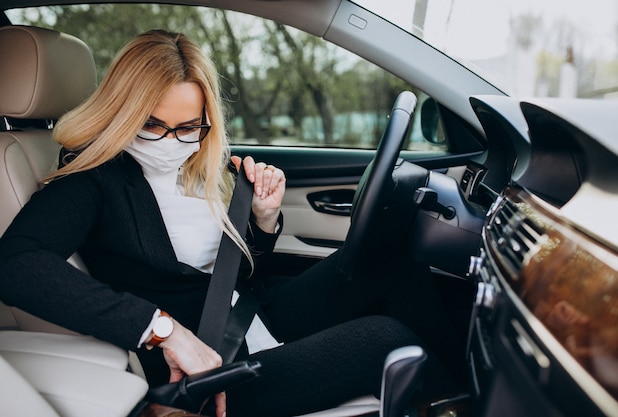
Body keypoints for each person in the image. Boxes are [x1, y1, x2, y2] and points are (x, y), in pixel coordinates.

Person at [0, 30, 456, 417]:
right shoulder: (92, 178)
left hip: (245, 316)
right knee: (386, 340)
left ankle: (466, 390)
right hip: (203, 371)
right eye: (152, 125)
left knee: (393, 263)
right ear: (123, 112)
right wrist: (165, 331)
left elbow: (226, 276)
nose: (169, 142)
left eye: (188, 127)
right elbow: (15, 264)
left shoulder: (197, 163)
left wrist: (263, 217)